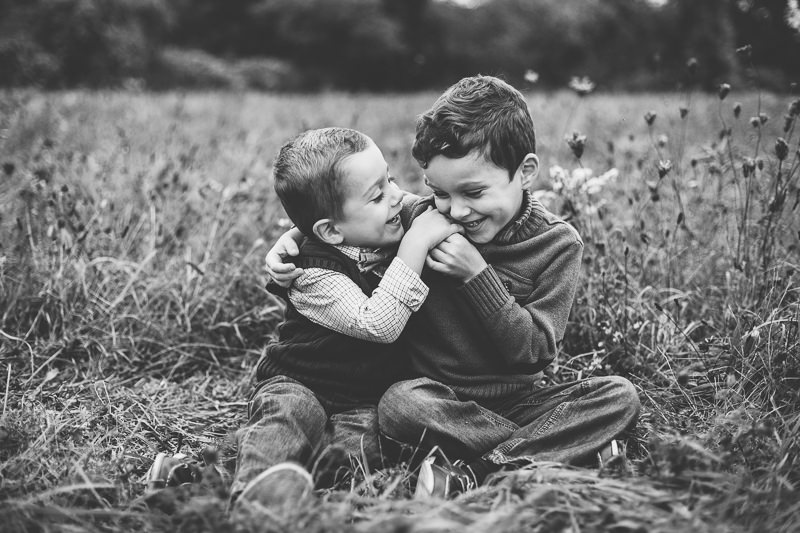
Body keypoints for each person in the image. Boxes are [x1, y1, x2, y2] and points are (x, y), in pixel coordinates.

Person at [265, 75, 641, 499]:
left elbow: (534, 351)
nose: (457, 210)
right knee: (398, 403)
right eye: (440, 191)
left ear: (526, 172)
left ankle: (484, 469)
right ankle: (553, 450)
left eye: (474, 191)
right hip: (435, 401)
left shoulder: (557, 245)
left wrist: (477, 277)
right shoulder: (423, 215)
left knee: (619, 396)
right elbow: (351, 222)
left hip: (516, 401)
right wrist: (294, 240)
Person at [228, 127, 461, 515]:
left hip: (362, 397)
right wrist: (415, 245)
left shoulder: (383, 222)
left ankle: (208, 473)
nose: (395, 196)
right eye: (377, 195)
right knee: (290, 419)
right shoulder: (311, 273)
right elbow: (378, 324)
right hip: (301, 382)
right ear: (331, 230)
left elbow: (437, 208)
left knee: (362, 447)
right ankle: (256, 504)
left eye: (388, 179)